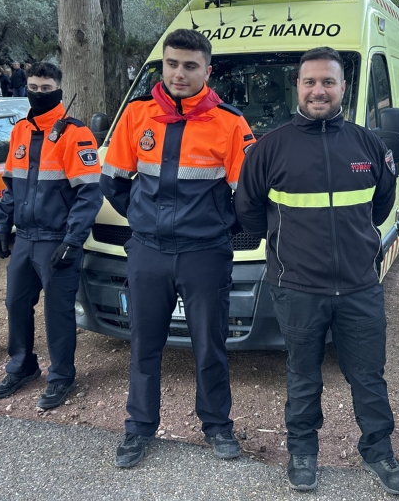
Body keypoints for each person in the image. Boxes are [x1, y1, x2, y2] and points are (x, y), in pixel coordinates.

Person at [234, 47, 399, 495]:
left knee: (368, 375)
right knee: (303, 373)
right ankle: (303, 452)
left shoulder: (369, 144)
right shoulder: (271, 148)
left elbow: (381, 205)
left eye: (328, 82)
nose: (319, 90)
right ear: (298, 86)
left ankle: (379, 451)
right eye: (310, 81)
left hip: (359, 287)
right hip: (296, 287)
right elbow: (249, 212)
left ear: (342, 88)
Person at [100, 28, 253, 468]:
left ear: (207, 69)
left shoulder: (230, 123)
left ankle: (217, 426)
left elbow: (246, 197)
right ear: (162, 65)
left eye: (190, 65)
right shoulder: (136, 116)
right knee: (144, 344)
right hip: (148, 251)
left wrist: (216, 226)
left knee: (210, 344)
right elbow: (113, 182)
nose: (179, 73)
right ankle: (138, 428)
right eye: (172, 64)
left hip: (205, 254)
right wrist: (147, 220)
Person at [0, 62, 103, 410]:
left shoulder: (75, 133)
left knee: (58, 311)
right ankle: (22, 366)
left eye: (46, 88)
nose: (39, 93)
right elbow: (10, 185)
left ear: (59, 89)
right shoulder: (20, 130)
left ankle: (61, 377)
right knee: (16, 304)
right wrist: (2, 226)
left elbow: (89, 195)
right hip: (25, 237)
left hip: (57, 239)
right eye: (33, 87)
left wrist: (73, 240)